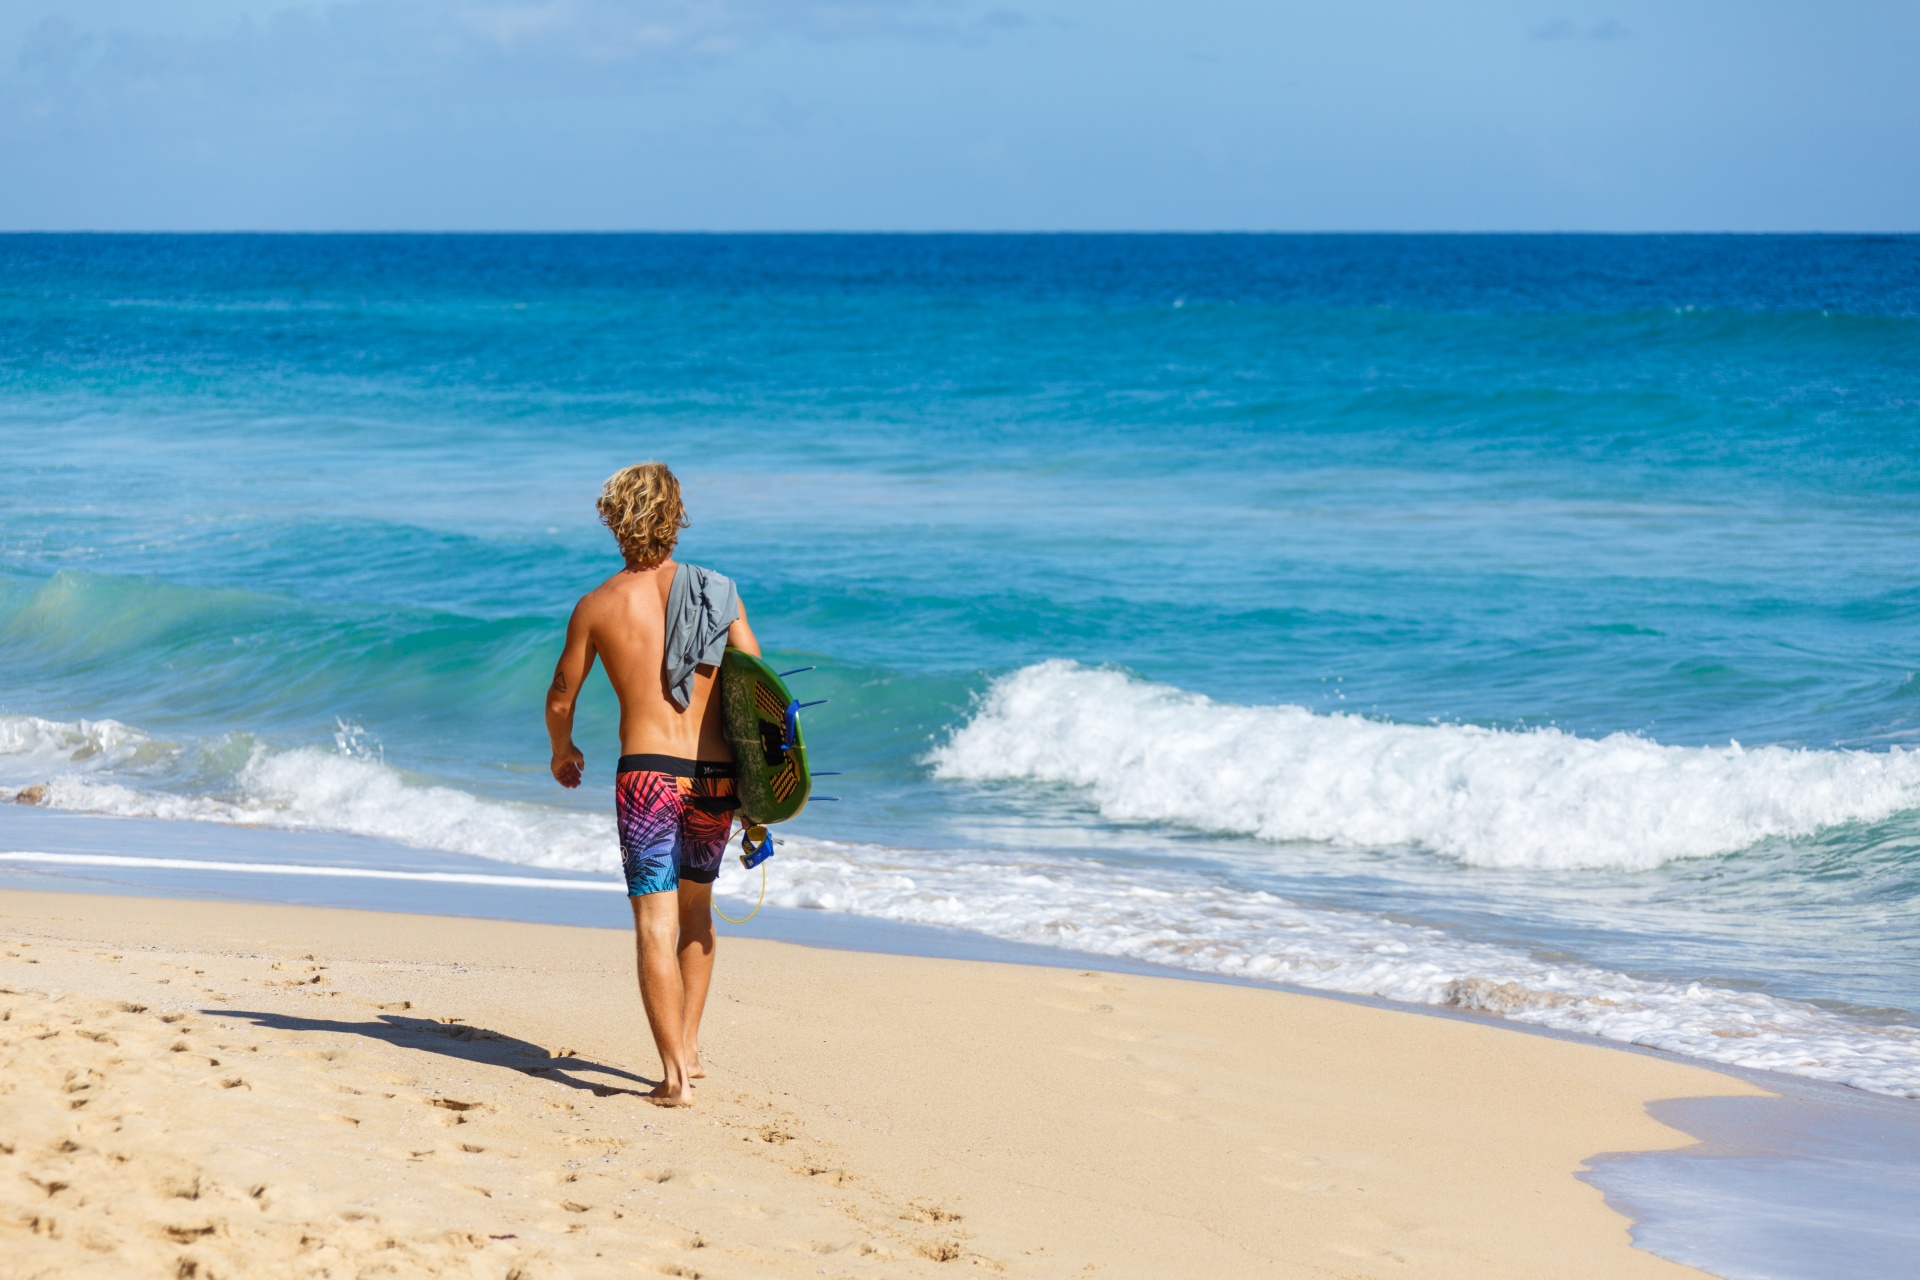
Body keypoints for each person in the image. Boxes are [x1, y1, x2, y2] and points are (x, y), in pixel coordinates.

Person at [545, 462, 758, 1107]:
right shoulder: (718, 593)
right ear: (677, 516)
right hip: (715, 775)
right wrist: (760, 788)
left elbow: (561, 695)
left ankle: (673, 1078)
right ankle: (689, 1050)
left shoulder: (599, 604)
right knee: (697, 909)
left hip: (649, 779)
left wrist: (564, 750)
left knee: (654, 922)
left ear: (616, 520)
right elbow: (757, 688)